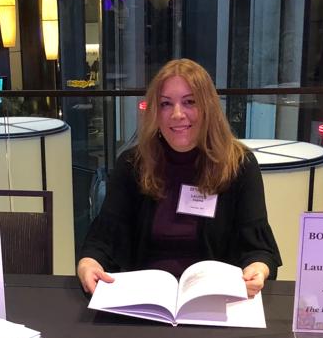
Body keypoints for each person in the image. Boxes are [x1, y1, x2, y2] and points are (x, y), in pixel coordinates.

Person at [77, 58, 281, 298]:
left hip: (215, 297)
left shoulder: (240, 165)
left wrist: (257, 269)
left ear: (208, 108)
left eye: (189, 102)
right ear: (155, 111)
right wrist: (88, 263)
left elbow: (257, 248)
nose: (177, 114)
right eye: (165, 104)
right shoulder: (133, 164)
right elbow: (103, 237)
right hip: (147, 297)